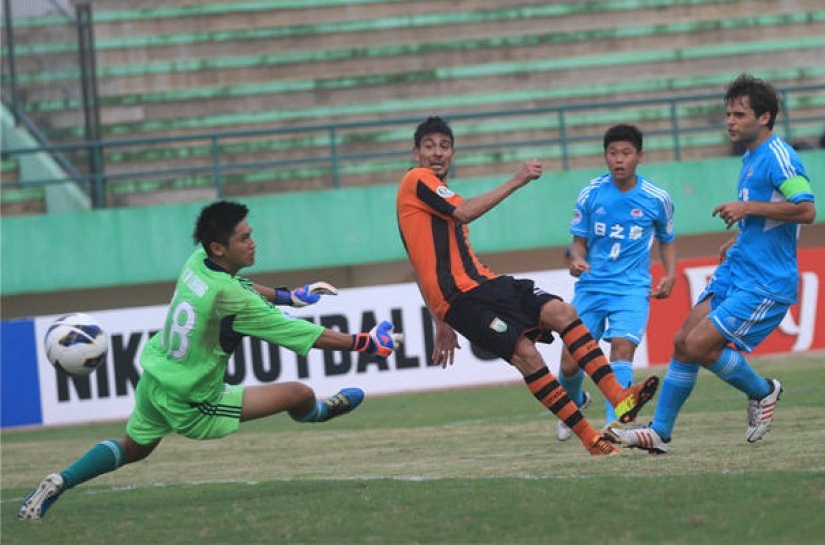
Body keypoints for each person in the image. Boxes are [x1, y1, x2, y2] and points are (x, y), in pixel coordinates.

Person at [19, 200, 401, 520]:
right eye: (244, 238)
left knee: (133, 448)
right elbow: (304, 335)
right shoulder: (231, 299)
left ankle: (59, 481)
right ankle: (320, 412)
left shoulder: (197, 260)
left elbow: (240, 283)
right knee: (299, 394)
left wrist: (289, 296)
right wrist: (366, 342)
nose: (253, 243)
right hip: (194, 399)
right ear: (219, 247)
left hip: (155, 378)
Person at [396, 116, 661, 456]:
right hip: (460, 300)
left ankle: (619, 396)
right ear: (415, 152)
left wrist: (438, 322)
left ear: (453, 152)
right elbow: (463, 212)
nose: (437, 153)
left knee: (561, 311)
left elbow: (420, 265)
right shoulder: (417, 180)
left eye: (444, 147)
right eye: (429, 146)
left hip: (486, 283)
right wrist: (516, 180)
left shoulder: (430, 198)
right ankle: (588, 437)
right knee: (527, 355)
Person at [610, 73, 816, 453]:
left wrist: (746, 208)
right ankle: (660, 433)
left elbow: (805, 209)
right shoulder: (753, 157)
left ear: (765, 117)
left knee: (700, 345)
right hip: (738, 270)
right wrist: (740, 236)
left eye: (739, 114)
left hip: (765, 282)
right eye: (728, 114)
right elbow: (771, 219)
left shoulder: (780, 157)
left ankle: (762, 391)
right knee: (683, 342)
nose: (730, 122)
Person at [556, 124, 677, 443]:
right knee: (570, 362)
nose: (618, 159)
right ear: (605, 156)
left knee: (622, 349)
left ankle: (615, 425)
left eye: (625, 153)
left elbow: (667, 238)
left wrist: (671, 273)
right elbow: (578, 242)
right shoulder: (591, 193)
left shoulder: (657, 198)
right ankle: (575, 403)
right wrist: (577, 259)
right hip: (592, 288)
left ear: (639, 156)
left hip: (631, 289)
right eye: (613, 153)